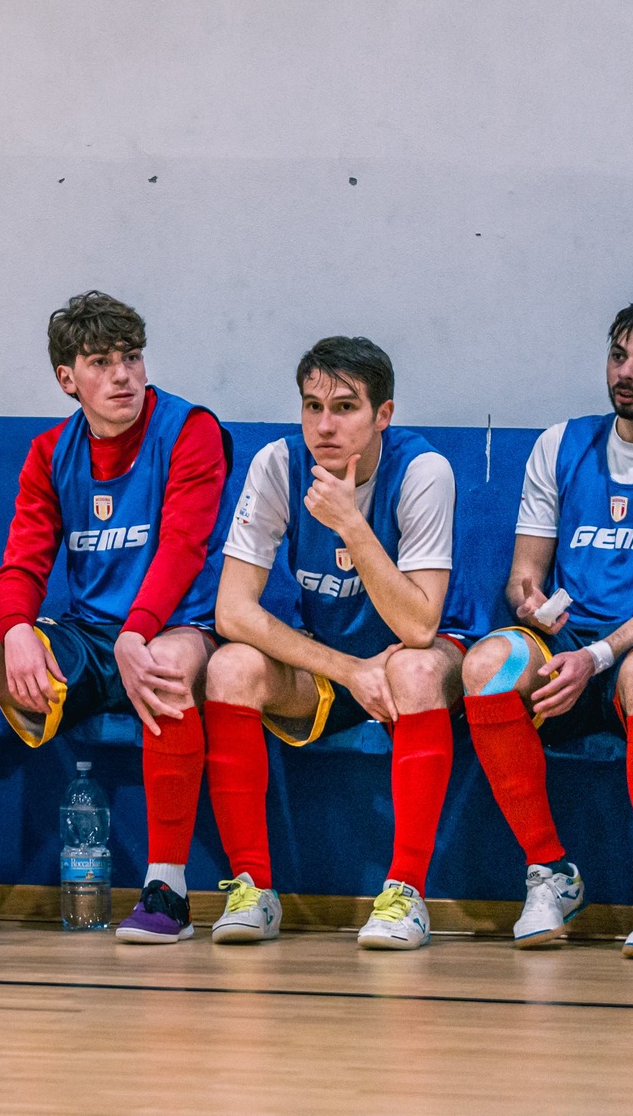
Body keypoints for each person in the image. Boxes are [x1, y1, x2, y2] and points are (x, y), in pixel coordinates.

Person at [0, 292, 230, 942]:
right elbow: (21, 564)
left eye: (131, 357)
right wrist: (17, 631)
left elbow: (184, 547)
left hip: (174, 624)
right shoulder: (52, 451)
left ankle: (167, 890)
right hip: (90, 633)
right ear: (67, 378)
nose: (122, 375)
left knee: (167, 663)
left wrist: (137, 632)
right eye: (101, 362)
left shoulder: (189, 430)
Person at [461, 296, 633, 956]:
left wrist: (598, 657)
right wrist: (530, 603)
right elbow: (524, 574)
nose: (625, 373)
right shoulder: (561, 444)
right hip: (566, 646)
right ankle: (550, 871)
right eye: (618, 356)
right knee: (486, 665)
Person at [205, 336, 475, 951]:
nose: (324, 426)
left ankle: (405, 894)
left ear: (383, 414)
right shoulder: (277, 464)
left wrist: (351, 522)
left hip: (422, 659)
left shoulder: (423, 471)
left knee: (413, 669)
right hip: (338, 664)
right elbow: (232, 611)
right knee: (230, 668)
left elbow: (419, 627)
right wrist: (351, 669)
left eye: (346, 407)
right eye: (313, 407)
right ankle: (251, 888)